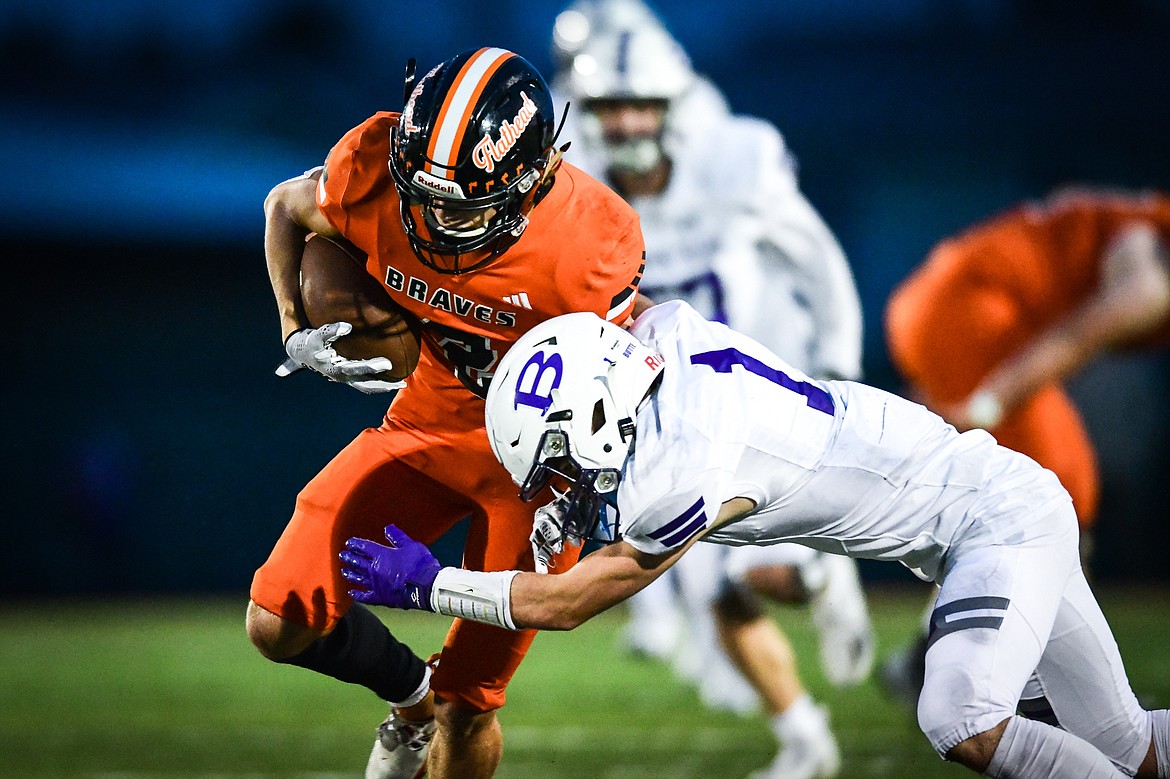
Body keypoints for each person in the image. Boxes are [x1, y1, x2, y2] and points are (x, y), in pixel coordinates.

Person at [340, 301, 1170, 779]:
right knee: (1124, 746)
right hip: (999, 503)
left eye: (559, 465)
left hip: (994, 521)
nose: (561, 487)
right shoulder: (662, 337)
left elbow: (565, 602)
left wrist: (428, 584)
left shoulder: (681, 470)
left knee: (960, 713)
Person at [248, 47, 647, 779]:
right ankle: (410, 695)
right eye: (420, 195)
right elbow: (283, 204)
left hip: (535, 471)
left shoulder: (587, 241)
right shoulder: (373, 167)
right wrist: (291, 327)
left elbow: (622, 377)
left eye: (459, 205)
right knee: (278, 618)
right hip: (428, 422)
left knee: (470, 704)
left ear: (531, 180)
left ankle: (443, 704)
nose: (432, 219)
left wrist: (598, 487)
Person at [547, 2, 872, 774]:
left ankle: (822, 576)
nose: (625, 123)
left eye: (639, 105)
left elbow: (818, 260)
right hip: (676, 411)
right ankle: (804, 735)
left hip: (764, 378)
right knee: (701, 573)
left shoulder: (734, 161)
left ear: (673, 107)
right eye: (609, 107)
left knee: (755, 570)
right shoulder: (580, 194)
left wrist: (839, 367)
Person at [880, 186, 1170, 707]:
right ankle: (1002, 680)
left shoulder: (1139, 228)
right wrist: (987, 403)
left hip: (947, 300)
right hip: (968, 311)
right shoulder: (1149, 275)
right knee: (1058, 498)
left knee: (1048, 497)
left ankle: (929, 661)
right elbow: (1072, 339)